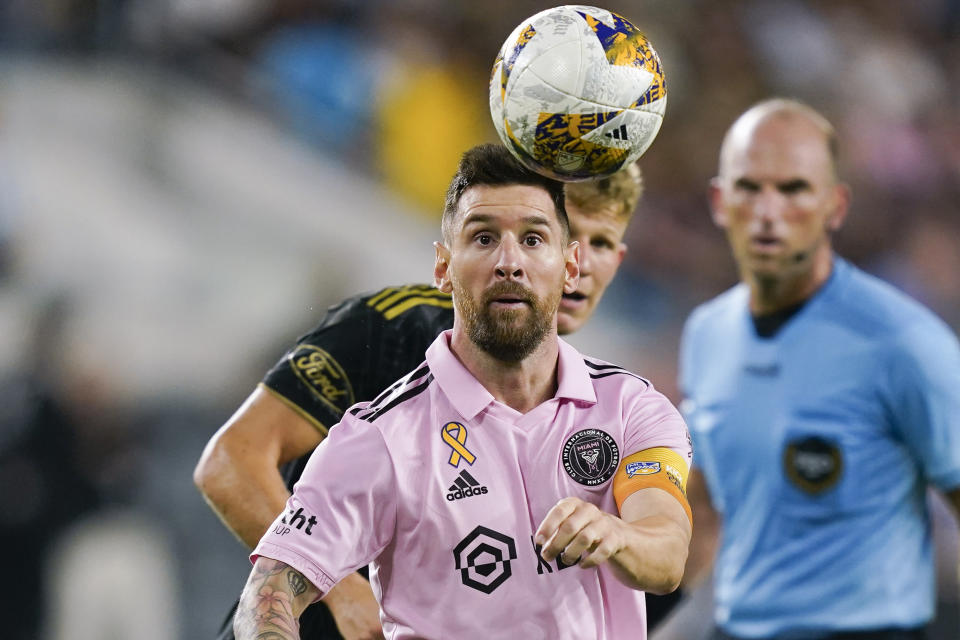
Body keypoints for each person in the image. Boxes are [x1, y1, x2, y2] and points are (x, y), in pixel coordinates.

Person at [231, 143, 693, 639]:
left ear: (571, 266)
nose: (509, 262)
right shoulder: (380, 438)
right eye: (483, 238)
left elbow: (666, 555)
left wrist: (617, 534)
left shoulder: (631, 408)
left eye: (534, 239)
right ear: (443, 268)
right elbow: (270, 589)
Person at [678, 98, 960, 639]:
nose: (767, 211)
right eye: (749, 187)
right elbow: (708, 516)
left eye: (793, 189)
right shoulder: (706, 334)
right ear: (719, 200)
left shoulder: (902, 343)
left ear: (835, 206)